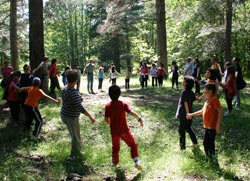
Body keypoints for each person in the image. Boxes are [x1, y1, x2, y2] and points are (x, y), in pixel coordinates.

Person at [105, 85, 143, 169]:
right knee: (133, 144)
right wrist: (139, 118)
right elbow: (131, 112)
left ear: (109, 94)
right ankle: (136, 161)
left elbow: (106, 120)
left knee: (115, 148)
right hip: (124, 131)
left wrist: (110, 122)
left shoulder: (107, 106)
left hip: (114, 132)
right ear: (119, 94)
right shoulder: (123, 104)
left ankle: (115, 163)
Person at [60, 70, 96, 159]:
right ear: (76, 81)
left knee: (73, 135)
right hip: (71, 117)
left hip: (64, 114)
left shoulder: (64, 88)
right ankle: (75, 155)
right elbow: (80, 108)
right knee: (76, 137)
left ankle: (76, 152)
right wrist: (90, 116)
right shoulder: (74, 93)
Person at [187, 83, 222, 160]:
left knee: (209, 143)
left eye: (205, 90)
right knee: (206, 142)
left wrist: (218, 125)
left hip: (212, 126)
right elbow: (202, 111)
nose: (203, 92)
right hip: (207, 126)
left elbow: (220, 111)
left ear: (210, 91)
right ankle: (210, 157)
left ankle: (211, 158)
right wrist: (191, 114)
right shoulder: (208, 100)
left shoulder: (214, 99)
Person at [176, 76, 198, 150]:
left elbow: (185, 102)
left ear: (186, 83)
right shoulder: (191, 92)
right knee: (188, 128)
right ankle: (195, 143)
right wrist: (199, 98)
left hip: (184, 114)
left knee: (181, 131)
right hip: (190, 114)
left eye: (183, 80)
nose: (182, 81)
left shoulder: (184, 92)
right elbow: (195, 99)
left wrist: (187, 113)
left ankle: (182, 148)